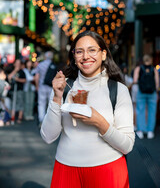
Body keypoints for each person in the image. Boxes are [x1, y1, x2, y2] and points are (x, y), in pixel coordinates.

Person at [40, 31, 135, 188]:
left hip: (108, 169)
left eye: (92, 50)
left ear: (103, 54)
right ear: (74, 57)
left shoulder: (118, 90)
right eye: (79, 51)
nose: (85, 56)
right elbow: (48, 137)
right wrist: (56, 97)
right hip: (66, 169)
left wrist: (99, 122)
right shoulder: (63, 87)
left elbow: (127, 146)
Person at [133, 54, 159, 139]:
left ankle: (140, 131)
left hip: (141, 92)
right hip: (152, 93)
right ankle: (150, 131)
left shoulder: (139, 68)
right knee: (152, 111)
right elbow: (157, 83)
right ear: (150, 60)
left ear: (143, 60)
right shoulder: (154, 69)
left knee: (140, 110)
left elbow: (135, 80)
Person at [34, 51, 55, 126]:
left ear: (45, 57)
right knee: (50, 104)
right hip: (50, 87)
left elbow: (36, 77)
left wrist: (37, 86)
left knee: (41, 104)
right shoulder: (54, 65)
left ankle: (41, 120)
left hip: (42, 86)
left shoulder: (40, 65)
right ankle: (50, 121)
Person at [8, 59, 26, 124]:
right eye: (17, 63)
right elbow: (9, 77)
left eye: (19, 63)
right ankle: (12, 117)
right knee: (12, 104)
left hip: (19, 90)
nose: (18, 64)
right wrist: (15, 71)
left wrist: (17, 79)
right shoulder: (12, 70)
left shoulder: (22, 72)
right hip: (12, 90)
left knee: (20, 103)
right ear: (14, 64)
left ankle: (19, 117)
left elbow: (24, 80)